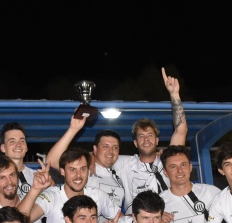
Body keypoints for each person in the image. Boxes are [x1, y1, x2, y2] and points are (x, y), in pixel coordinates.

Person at [45, 68, 188, 214]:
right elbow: (54, 161)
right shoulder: (125, 164)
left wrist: (174, 94)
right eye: (141, 136)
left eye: (150, 136)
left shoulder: (168, 161)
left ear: (157, 140)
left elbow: (180, 131)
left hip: (167, 221)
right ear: (135, 143)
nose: (146, 140)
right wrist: (88, 152)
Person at [27, 147, 122, 223]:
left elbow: (122, 219)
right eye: (73, 170)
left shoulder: (97, 195)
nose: (78, 175)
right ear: (63, 171)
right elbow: (23, 220)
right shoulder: (52, 196)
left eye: (83, 169)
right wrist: (35, 189)